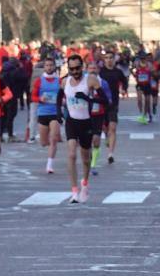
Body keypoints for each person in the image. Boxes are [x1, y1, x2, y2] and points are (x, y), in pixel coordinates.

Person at [55, 53, 107, 203]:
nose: (75, 71)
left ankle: (85, 183)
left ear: (82, 67)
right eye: (72, 69)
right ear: (68, 69)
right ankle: (74, 191)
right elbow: (59, 97)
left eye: (78, 68)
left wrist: (88, 99)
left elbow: (105, 100)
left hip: (86, 122)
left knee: (85, 158)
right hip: (72, 121)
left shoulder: (90, 80)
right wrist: (58, 113)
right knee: (71, 154)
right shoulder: (65, 81)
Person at [31, 56, 62, 173]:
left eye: (51, 65)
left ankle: (49, 165)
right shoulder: (39, 81)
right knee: (44, 142)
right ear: (44, 67)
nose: (49, 67)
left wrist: (62, 101)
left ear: (54, 66)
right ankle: (49, 145)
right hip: (43, 113)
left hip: (55, 112)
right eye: (47, 65)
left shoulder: (59, 81)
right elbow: (32, 97)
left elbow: (64, 95)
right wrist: (40, 98)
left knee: (53, 139)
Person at [98, 51, 128, 165]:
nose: (109, 60)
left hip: (113, 104)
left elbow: (124, 81)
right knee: (104, 128)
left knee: (113, 128)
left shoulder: (118, 72)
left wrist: (124, 89)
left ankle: (110, 154)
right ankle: (106, 136)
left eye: (111, 57)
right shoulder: (101, 72)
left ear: (114, 59)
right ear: (104, 60)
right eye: (107, 58)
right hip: (101, 103)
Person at [85, 60, 112, 177]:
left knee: (96, 140)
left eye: (94, 68)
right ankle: (88, 160)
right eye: (90, 68)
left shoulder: (103, 83)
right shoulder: (82, 82)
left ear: (98, 70)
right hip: (84, 115)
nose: (92, 70)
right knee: (86, 142)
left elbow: (109, 99)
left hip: (98, 114)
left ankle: (93, 164)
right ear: (86, 70)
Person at [133, 53, 152, 124]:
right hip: (140, 85)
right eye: (141, 58)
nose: (143, 59)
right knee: (139, 100)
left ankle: (147, 115)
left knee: (147, 101)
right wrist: (135, 74)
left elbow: (153, 72)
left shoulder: (149, 64)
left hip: (147, 84)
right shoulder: (137, 64)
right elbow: (133, 71)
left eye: (144, 58)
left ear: (146, 58)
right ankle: (142, 113)